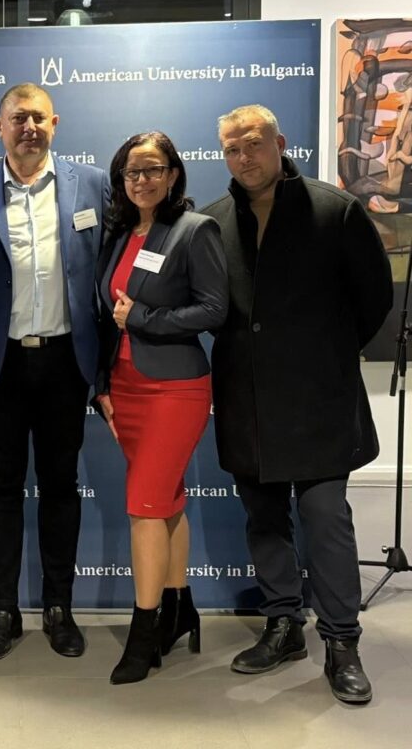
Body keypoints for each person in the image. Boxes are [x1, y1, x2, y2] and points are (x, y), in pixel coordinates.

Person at [203, 104, 392, 705]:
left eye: (253, 144)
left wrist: (326, 354)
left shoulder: (334, 210)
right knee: (264, 521)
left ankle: (341, 642)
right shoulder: (212, 221)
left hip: (319, 402)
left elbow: (374, 298)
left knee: (326, 520)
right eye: (232, 149)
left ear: (279, 143)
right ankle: (283, 624)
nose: (244, 158)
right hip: (246, 401)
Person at [0, 83, 109, 660]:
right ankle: (4, 612)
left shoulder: (92, 185)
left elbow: (108, 274)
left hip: (67, 362)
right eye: (18, 118)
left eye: (38, 118)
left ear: (55, 123)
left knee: (61, 487)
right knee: (1, 489)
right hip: (1, 366)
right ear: (0, 127)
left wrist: (105, 371)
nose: (29, 128)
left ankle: (59, 608)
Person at [96, 131, 228, 684]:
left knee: (145, 507)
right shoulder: (120, 233)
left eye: (153, 169)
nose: (142, 180)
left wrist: (144, 319)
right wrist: (102, 384)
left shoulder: (195, 230)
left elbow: (214, 309)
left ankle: (144, 631)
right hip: (124, 387)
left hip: (175, 389)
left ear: (173, 174)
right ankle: (180, 608)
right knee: (165, 501)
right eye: (132, 172)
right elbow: (106, 315)